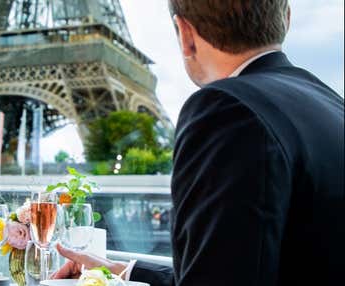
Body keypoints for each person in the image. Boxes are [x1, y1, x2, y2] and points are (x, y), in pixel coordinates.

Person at [52, 0, 344, 285]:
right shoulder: (332, 105)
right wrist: (119, 270)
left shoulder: (228, 109)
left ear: (186, 34)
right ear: (287, 19)